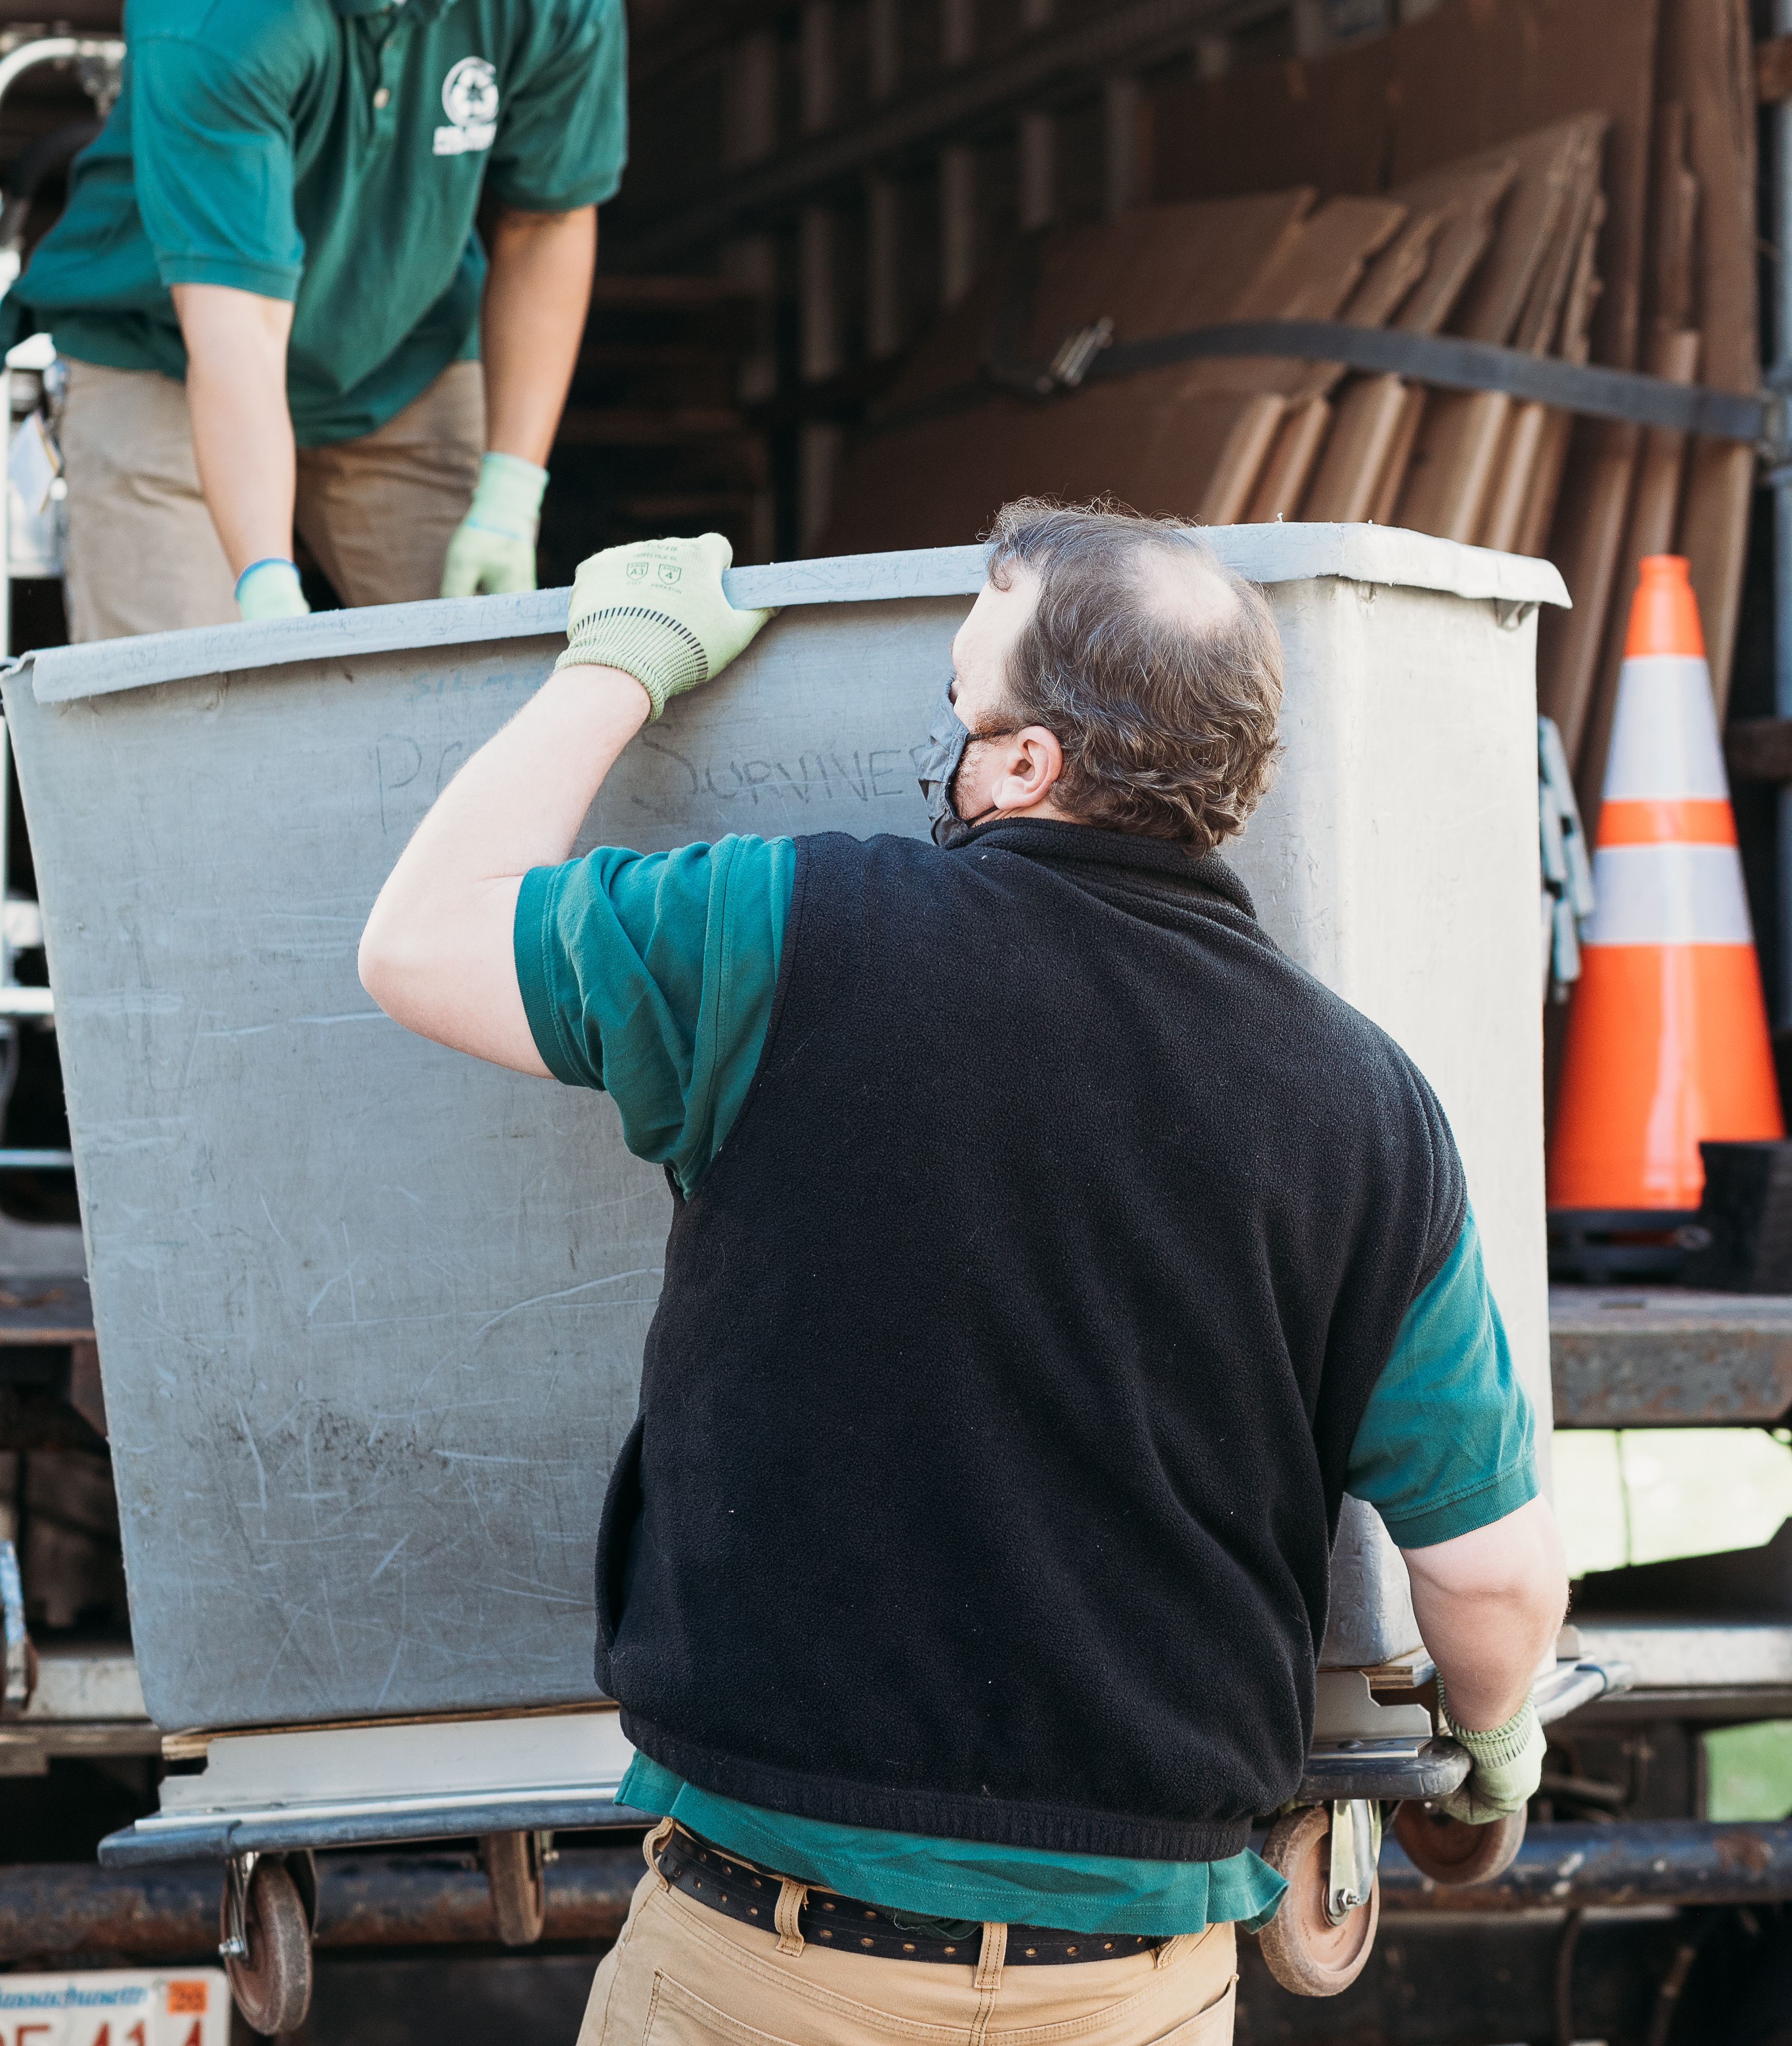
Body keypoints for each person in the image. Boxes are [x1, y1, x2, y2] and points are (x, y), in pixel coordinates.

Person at [358, 501, 1567, 2046]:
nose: (943, 733)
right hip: (1131, 1991)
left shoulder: (778, 929)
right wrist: (1493, 1754)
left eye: (956, 697)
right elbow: (1488, 1573)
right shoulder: (1364, 1105)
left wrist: (620, 665)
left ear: (1021, 765)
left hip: (763, 1967)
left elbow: (417, 944)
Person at [9, 0, 626, 641]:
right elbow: (240, 330)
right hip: (169, 356)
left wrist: (512, 488)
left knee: (477, 703)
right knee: (190, 714)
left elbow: (547, 220)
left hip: (405, 361)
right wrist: (262, 578)